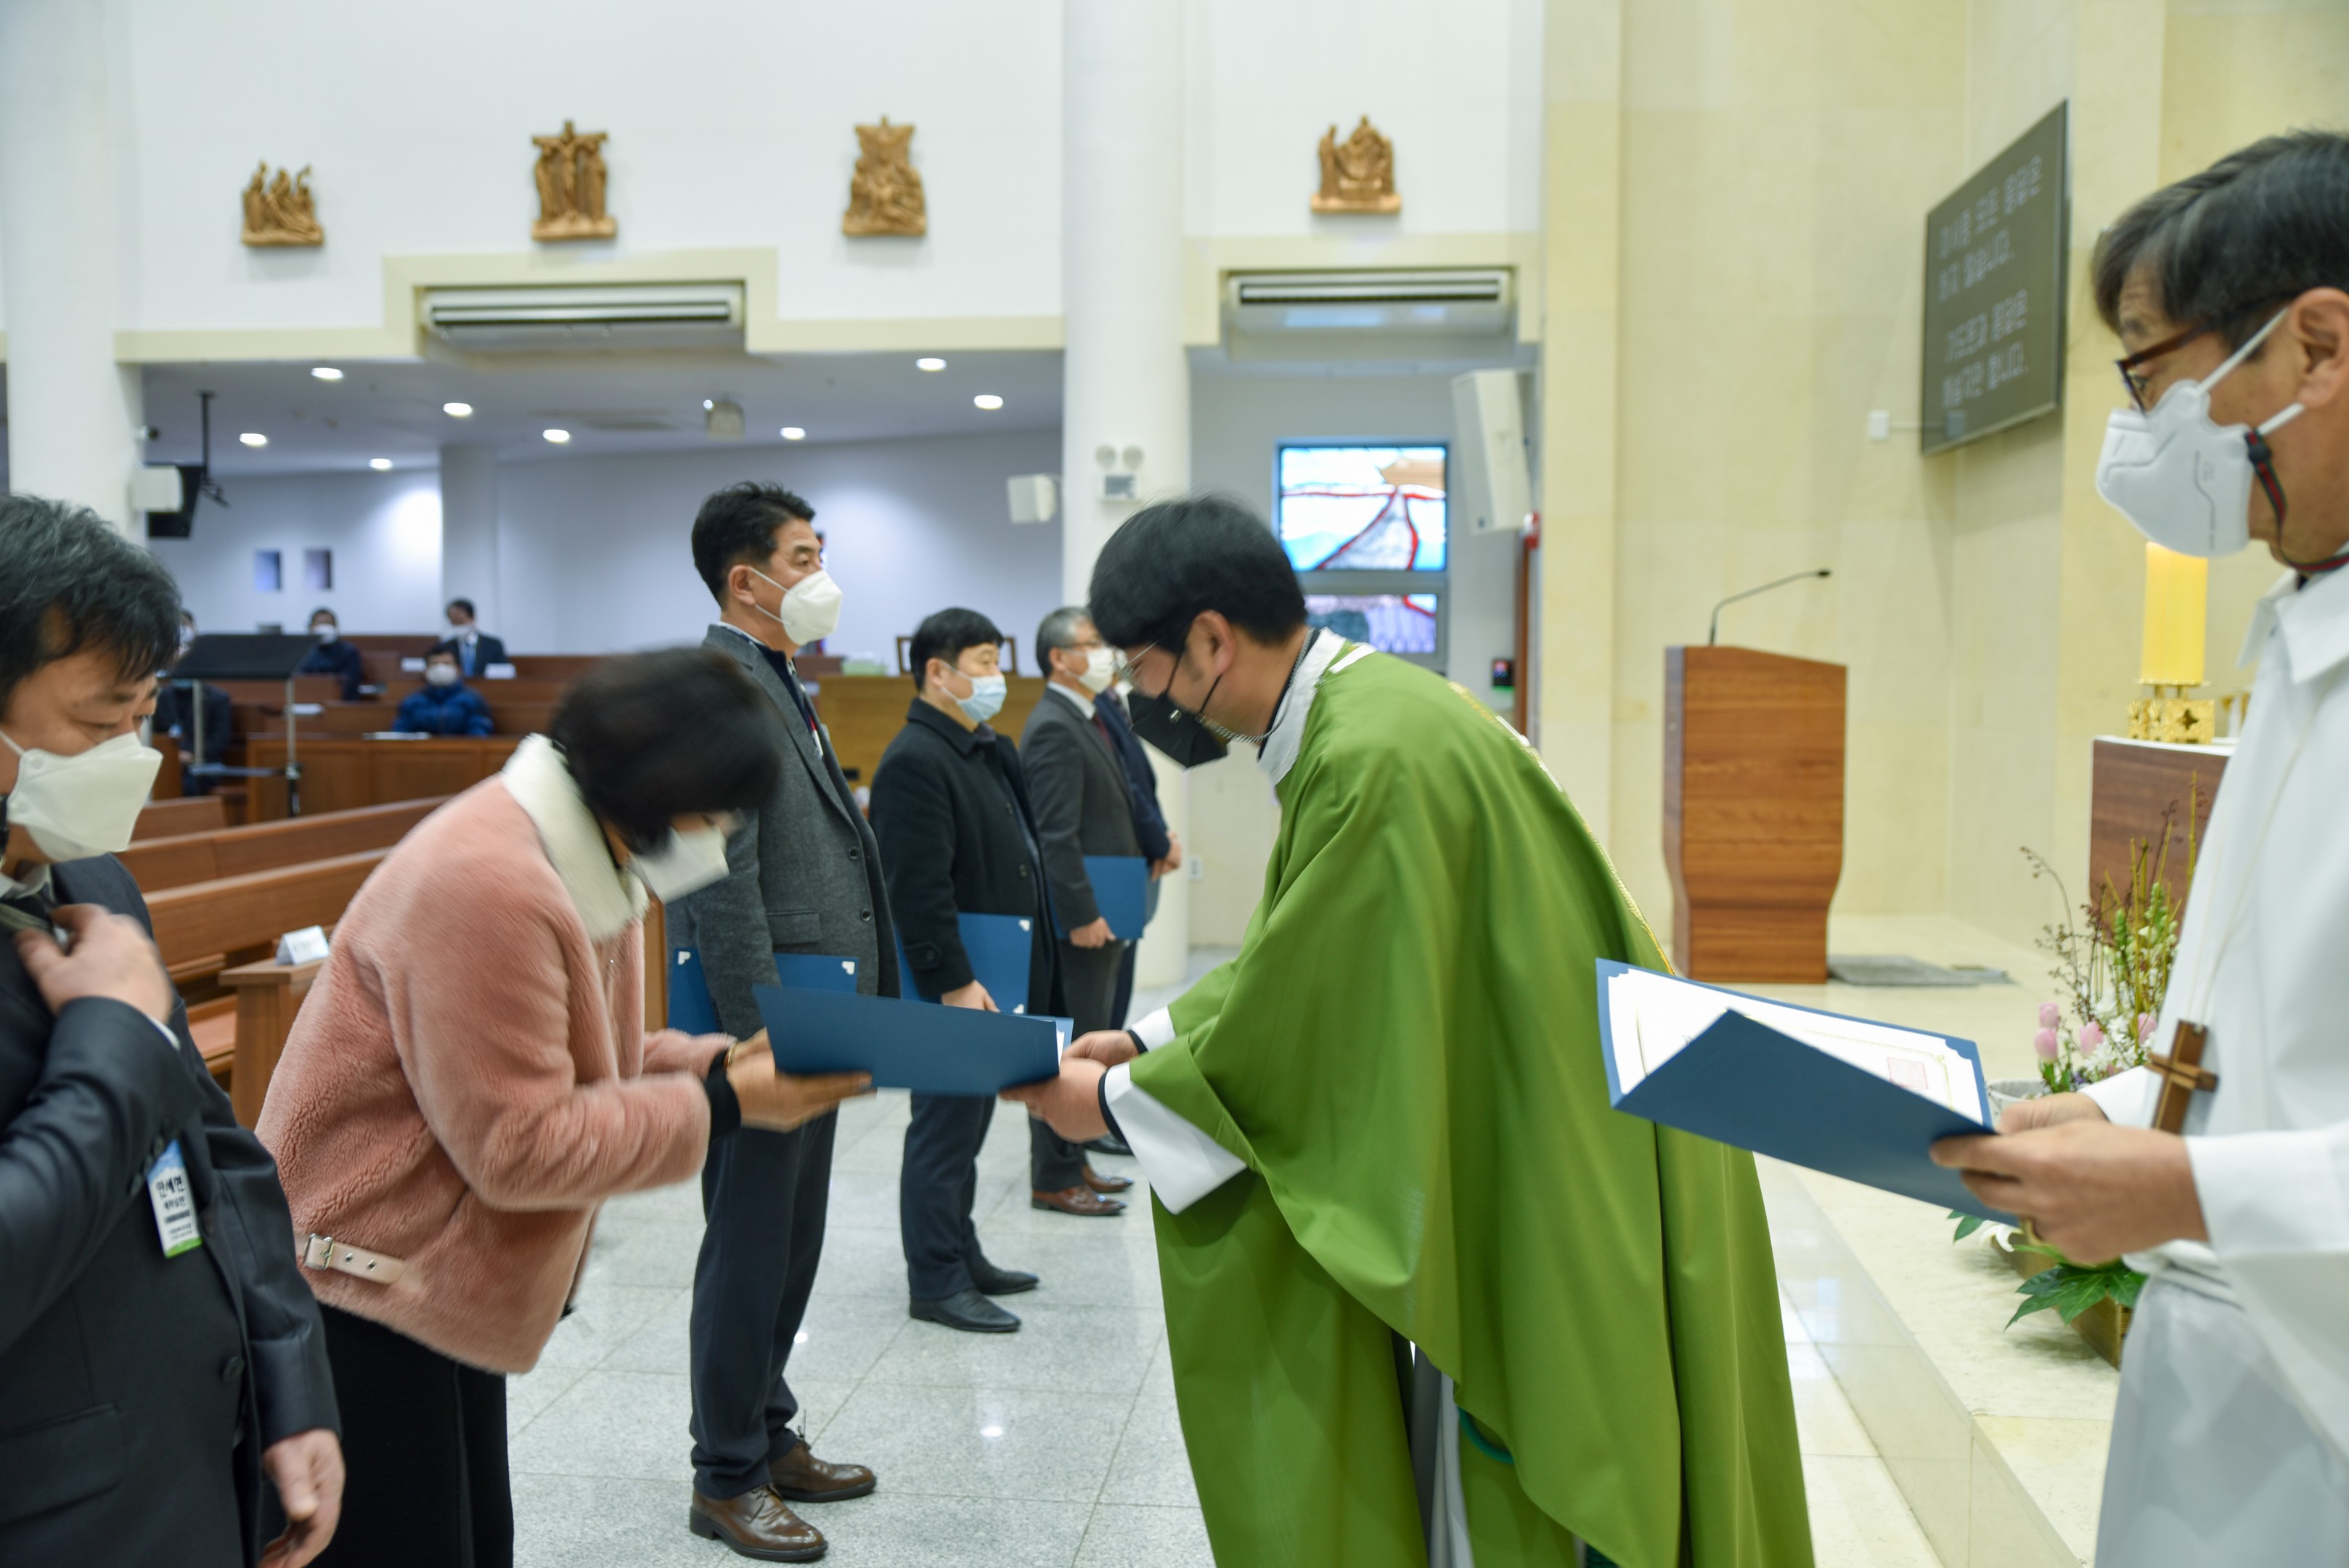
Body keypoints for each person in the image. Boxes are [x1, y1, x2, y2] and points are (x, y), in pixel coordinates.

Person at [1007, 495, 1809, 1567]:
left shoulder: (1371, 755)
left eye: (1146, 672)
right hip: (1557, 1113)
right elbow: (1306, 948)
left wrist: (1107, 1101)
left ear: (1211, 639)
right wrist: (1150, 1044)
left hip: (1558, 1160)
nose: (1146, 701)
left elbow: (1311, 1027)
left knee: (1559, 1466)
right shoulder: (1371, 713)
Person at [1932, 131, 2349, 1566]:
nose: (2140, 428)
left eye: (2147, 366)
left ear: (2315, 347)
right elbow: (2264, 1023)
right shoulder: (2303, 621)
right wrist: (2116, 1110)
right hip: (2229, 1371)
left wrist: (2189, 1189)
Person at [256, 650, 872, 1568]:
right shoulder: (491, 882)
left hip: (431, 1273)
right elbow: (518, 1143)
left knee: (471, 1539)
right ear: (657, 791)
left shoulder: (578, 851)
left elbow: (589, 1061)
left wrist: (720, 1058)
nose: (719, 835)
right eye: (716, 812)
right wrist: (727, 1104)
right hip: (364, 1279)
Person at [0, 495, 345, 1568]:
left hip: (194, 1445)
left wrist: (290, 1382)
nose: (132, 756)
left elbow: (216, 1151)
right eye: (100, 724)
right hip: (52, 1500)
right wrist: (107, 1034)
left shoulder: (90, 877)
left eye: (145, 716)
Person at [667, 483, 891, 1560]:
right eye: (802, 559)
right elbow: (718, 877)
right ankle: (725, 1475)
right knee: (750, 1241)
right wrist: (758, 1032)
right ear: (744, 580)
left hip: (819, 992)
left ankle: (769, 1428)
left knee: (794, 1238)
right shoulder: (717, 686)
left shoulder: (776, 678)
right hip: (771, 1009)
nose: (821, 577)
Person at [869, 608, 1072, 1336]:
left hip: (1000, 970)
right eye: (984, 661)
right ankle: (935, 1278)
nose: (996, 677)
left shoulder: (983, 748)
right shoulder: (913, 760)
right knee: (943, 1129)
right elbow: (915, 890)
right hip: (959, 980)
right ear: (938, 672)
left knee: (971, 1121)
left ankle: (962, 1250)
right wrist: (951, 980)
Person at [1018, 607, 1143, 1196]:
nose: (1104, 654)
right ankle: (1056, 1174)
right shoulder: (1052, 726)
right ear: (1059, 659)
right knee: (1069, 1048)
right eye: (1090, 644)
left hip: (1107, 909)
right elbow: (1055, 835)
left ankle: (1077, 1161)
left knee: (1093, 1036)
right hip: (1082, 921)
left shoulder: (1087, 717)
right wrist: (1080, 914)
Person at [154, 609, 234, 790]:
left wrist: (191, 754)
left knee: (188, 785)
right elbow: (158, 733)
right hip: (168, 763)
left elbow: (219, 739)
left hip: (204, 765)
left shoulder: (216, 698)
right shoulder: (162, 696)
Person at [391, 644, 494, 736]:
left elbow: (479, 736)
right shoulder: (412, 702)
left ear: (458, 670)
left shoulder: (473, 700)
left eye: (446, 663)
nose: (440, 668)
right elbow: (400, 735)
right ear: (425, 671)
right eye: (435, 664)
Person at [295, 608, 365, 700]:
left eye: (328, 624)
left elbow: (350, 683)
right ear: (311, 628)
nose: (324, 628)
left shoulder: (348, 651)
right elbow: (299, 680)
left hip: (340, 702)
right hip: (308, 700)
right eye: (320, 624)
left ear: (336, 627)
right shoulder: (303, 652)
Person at [441, 598, 507, 678]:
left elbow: (503, 672)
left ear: (472, 618)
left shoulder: (493, 645)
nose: (458, 626)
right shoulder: (446, 646)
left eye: (461, 621)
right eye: (454, 622)